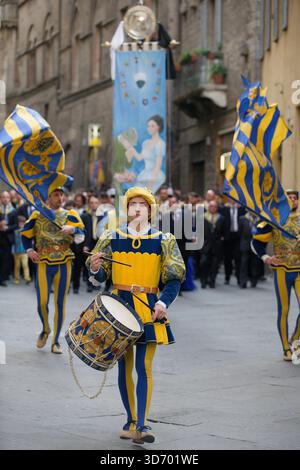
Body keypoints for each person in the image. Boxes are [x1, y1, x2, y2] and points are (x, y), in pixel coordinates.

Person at [87, 187, 185, 444]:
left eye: (143, 204)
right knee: (125, 367)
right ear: (127, 209)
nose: (138, 208)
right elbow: (100, 278)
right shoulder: (111, 237)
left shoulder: (165, 239)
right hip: (119, 308)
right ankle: (130, 420)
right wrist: (96, 268)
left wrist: (164, 302)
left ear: (151, 210)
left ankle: (142, 424)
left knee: (145, 367)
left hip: (149, 308)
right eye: (133, 204)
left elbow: (174, 279)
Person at [21, 187, 85, 354]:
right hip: (43, 261)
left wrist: (73, 229)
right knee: (42, 301)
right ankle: (45, 328)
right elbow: (25, 235)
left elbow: (82, 233)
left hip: (64, 261)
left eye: (61, 194)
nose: (60, 197)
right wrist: (29, 251)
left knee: (60, 302)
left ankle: (56, 341)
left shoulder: (71, 214)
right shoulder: (37, 214)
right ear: (47, 197)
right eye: (56, 194)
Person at [251, 190, 300, 362]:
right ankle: (286, 347)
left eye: (295, 198)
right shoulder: (272, 220)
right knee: (284, 309)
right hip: (281, 269)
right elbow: (256, 242)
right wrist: (266, 258)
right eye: (289, 198)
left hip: (299, 269)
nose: (292, 200)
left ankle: (295, 340)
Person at [120, 115, 166, 194]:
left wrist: (150, 184)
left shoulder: (160, 143)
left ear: (158, 127)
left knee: (147, 196)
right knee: (136, 194)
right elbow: (139, 158)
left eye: (152, 126)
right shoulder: (146, 143)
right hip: (145, 174)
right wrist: (130, 147)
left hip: (155, 176)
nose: (149, 128)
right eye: (148, 126)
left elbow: (157, 166)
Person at [200, 201, 225, 288]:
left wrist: (222, 239)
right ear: (208, 207)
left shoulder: (221, 218)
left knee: (215, 265)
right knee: (204, 263)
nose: (213, 208)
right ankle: (203, 280)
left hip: (217, 245)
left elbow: (224, 231)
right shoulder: (203, 217)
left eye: (214, 207)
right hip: (205, 244)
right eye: (211, 206)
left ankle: (212, 281)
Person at [81, 194, 100, 292]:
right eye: (92, 203)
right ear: (89, 204)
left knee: (98, 263)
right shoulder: (85, 216)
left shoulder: (103, 216)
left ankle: (97, 282)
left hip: (98, 243)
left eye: (96, 203)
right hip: (89, 242)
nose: (94, 205)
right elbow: (83, 231)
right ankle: (89, 284)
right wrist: (85, 245)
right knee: (89, 263)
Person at [239, 212, 263, 289]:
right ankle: (243, 281)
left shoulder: (260, 220)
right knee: (244, 263)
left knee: (255, 263)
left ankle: (254, 280)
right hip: (245, 244)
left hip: (256, 244)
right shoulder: (242, 218)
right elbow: (239, 232)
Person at [12, 215, 31, 285]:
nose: (21, 224)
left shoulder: (26, 231)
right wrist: (13, 250)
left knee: (25, 264)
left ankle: (27, 277)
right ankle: (16, 278)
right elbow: (13, 241)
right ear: (18, 223)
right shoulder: (15, 231)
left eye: (23, 223)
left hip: (24, 251)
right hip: (16, 251)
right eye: (20, 223)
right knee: (17, 266)